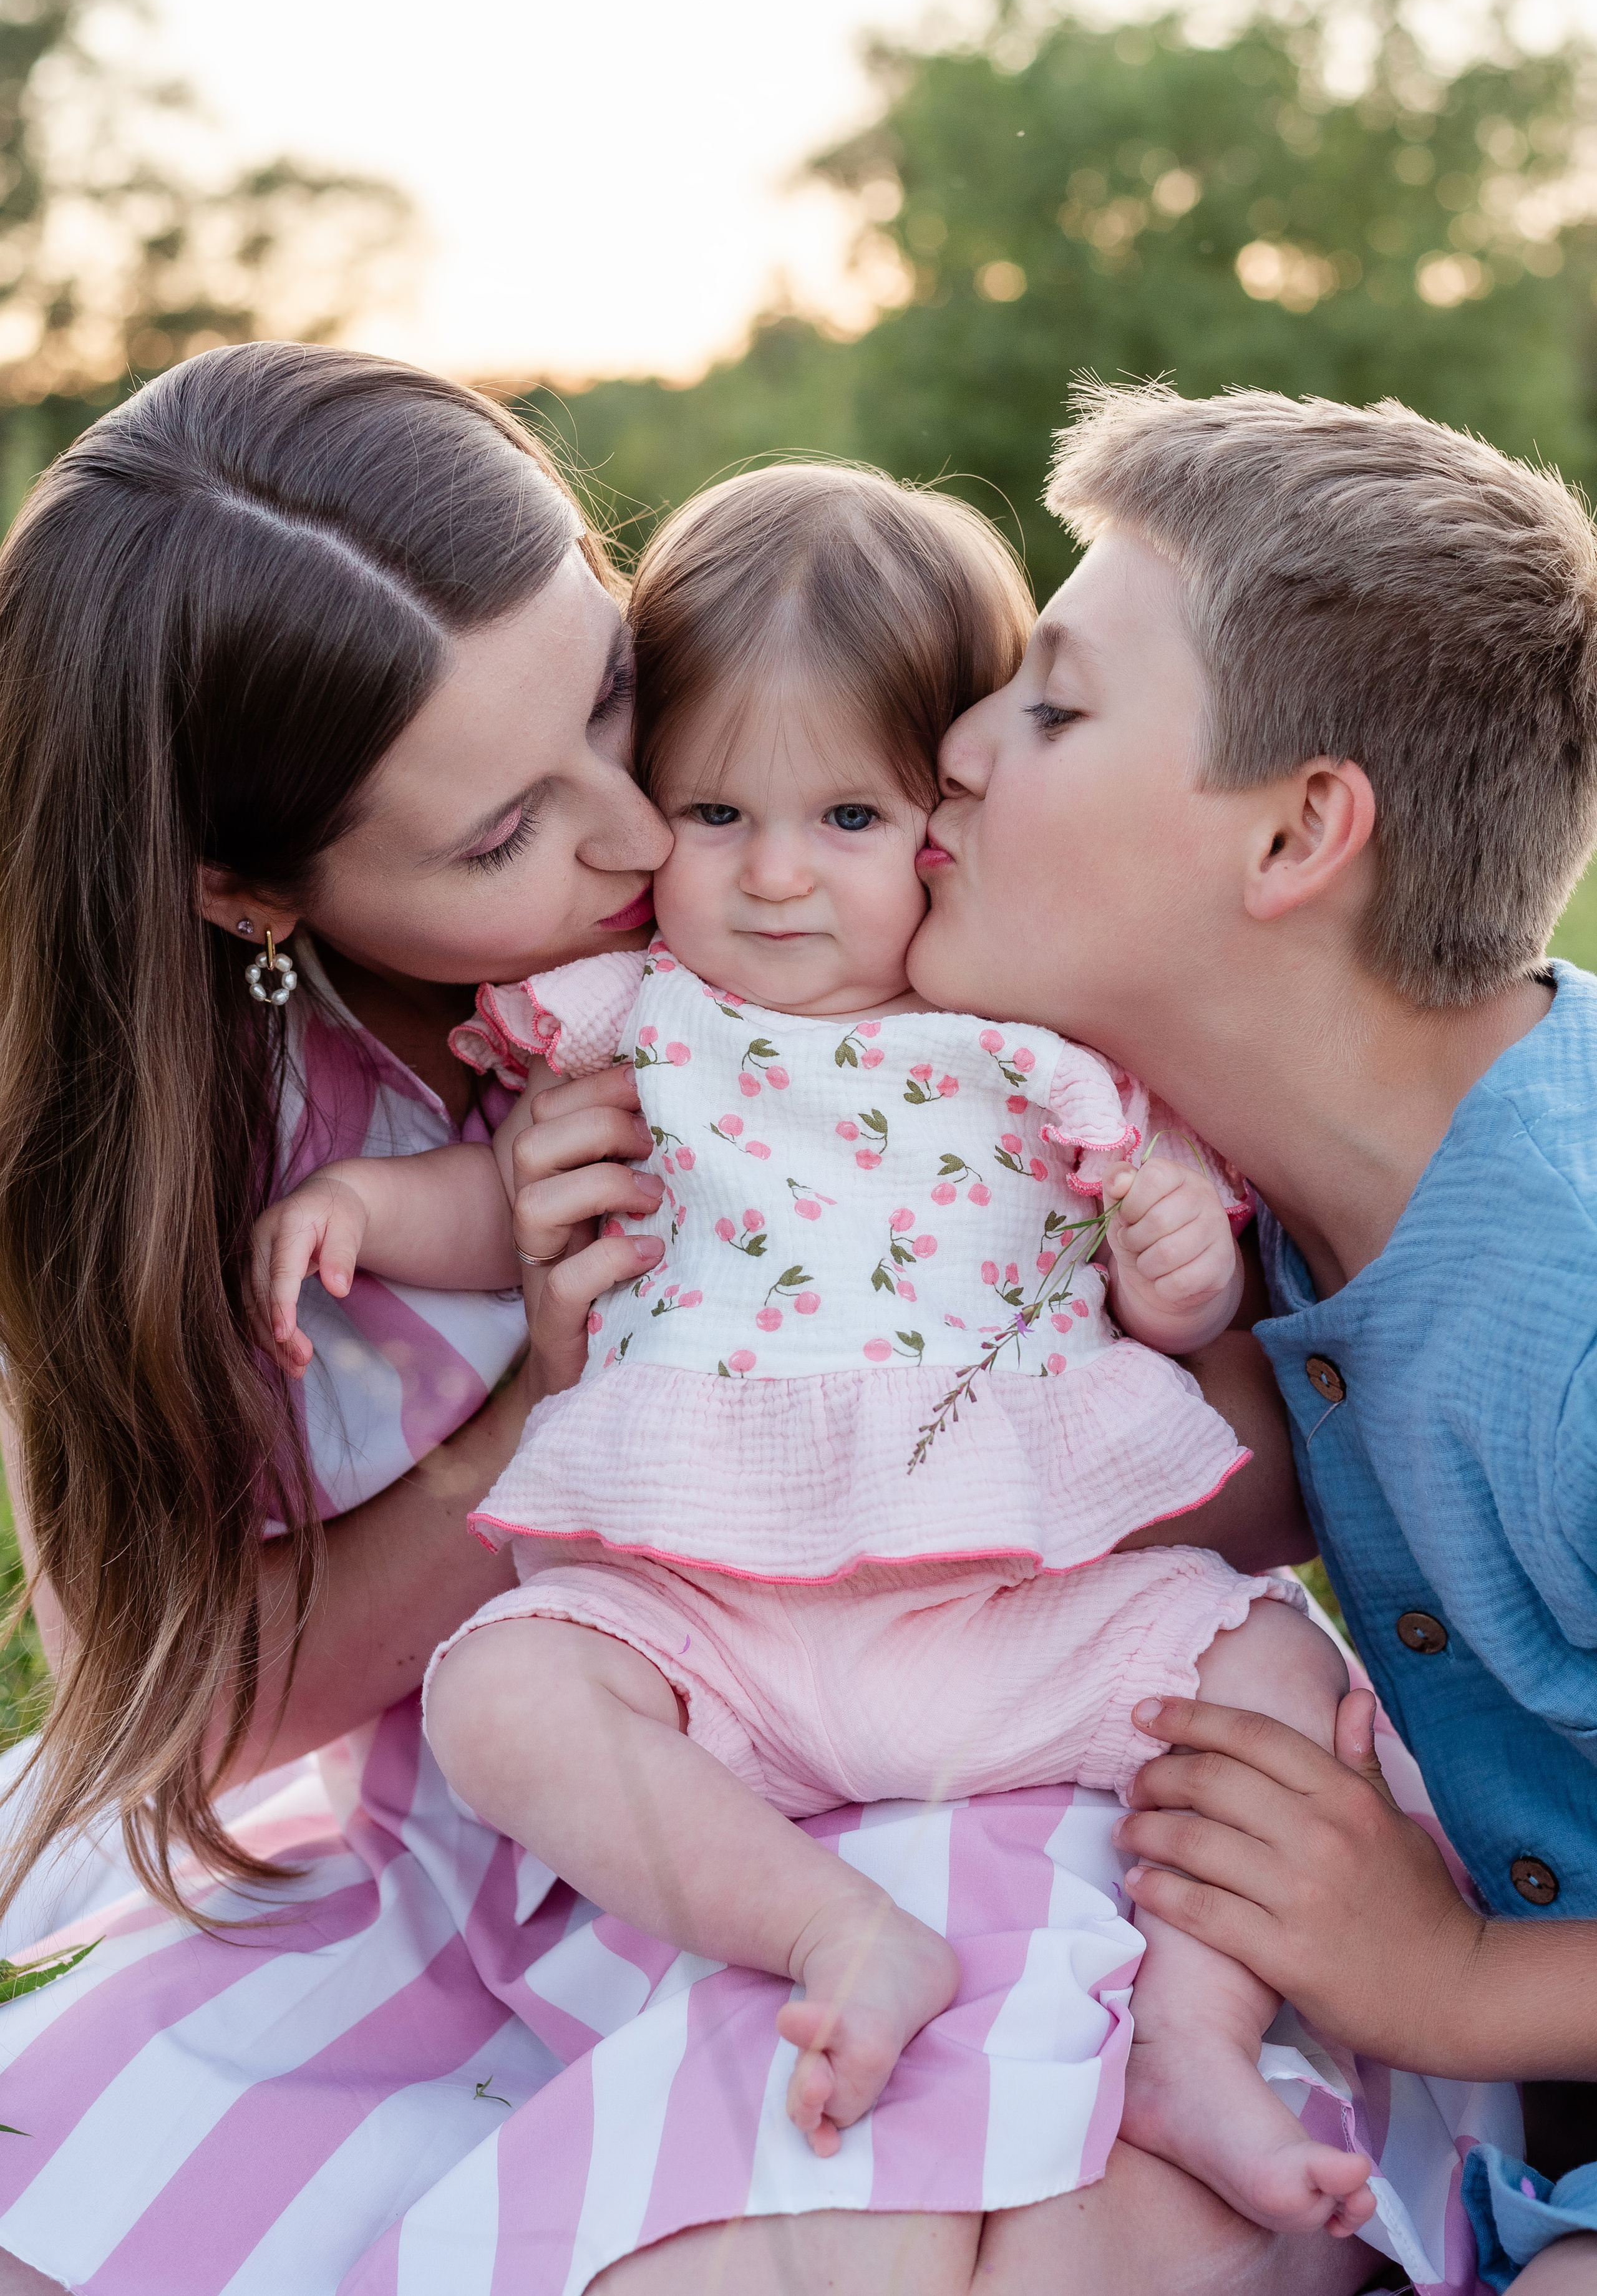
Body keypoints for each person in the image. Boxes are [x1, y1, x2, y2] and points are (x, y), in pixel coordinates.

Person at [0, 346, 1400, 2296]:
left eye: (610, 701)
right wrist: (544, 1415)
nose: (648, 842)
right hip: (546, 1813)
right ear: (246, 891)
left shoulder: (929, 937)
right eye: (502, 836)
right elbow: (185, 1708)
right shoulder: (178, 1162)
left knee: (1083, 2217)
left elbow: (1273, 1464)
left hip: (990, 1729)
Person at [905, 380, 1597, 2293]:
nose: (953, 752)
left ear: (1299, 831)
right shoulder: (1266, 1168)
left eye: (1049, 705)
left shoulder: (1580, 1327)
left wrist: (1446, 1979)